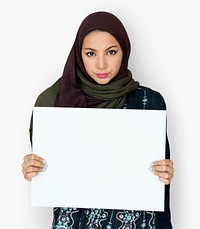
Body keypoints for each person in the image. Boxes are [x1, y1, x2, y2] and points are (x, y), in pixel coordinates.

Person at [22, 11, 174, 228]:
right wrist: (33, 171)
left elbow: (158, 176)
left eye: (111, 52)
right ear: (78, 54)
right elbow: (52, 172)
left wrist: (165, 172)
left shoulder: (149, 101)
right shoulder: (54, 101)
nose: (101, 65)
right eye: (91, 53)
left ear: (124, 50)